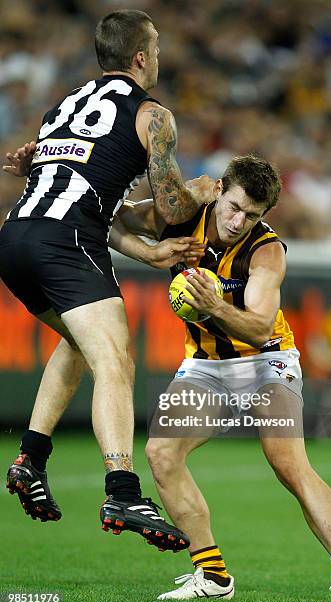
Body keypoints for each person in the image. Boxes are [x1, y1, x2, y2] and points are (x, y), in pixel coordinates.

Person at [113, 154, 331, 602]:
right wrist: (149, 252)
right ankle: (213, 574)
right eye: (234, 207)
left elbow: (259, 328)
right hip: (205, 366)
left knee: (287, 462)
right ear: (218, 189)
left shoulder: (267, 250)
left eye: (252, 215)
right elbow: (109, 219)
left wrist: (213, 305)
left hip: (266, 363)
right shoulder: (180, 217)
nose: (239, 221)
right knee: (161, 453)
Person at [0, 8, 214, 553]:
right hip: (64, 243)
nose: (161, 56)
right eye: (158, 47)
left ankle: (31, 457)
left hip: (15, 238)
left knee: (78, 343)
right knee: (116, 360)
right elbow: (168, 205)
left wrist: (148, 251)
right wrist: (201, 191)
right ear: (140, 57)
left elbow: (98, 206)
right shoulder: (153, 116)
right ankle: (122, 488)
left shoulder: (62, 109)